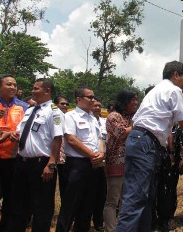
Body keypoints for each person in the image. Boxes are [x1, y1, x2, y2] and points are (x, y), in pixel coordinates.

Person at [115, 61, 183, 232]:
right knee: (136, 198)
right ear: (176, 75)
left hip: (141, 140)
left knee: (146, 197)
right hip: (146, 143)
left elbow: (134, 121)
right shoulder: (174, 90)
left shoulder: (154, 92)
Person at [7, 78, 64, 232]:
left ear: (47, 91)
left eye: (35, 88)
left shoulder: (54, 112)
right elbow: (19, 131)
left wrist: (51, 164)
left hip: (41, 165)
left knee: (41, 208)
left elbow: (57, 139)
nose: (32, 91)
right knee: (18, 206)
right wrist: (14, 134)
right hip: (22, 163)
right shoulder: (30, 110)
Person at [55, 86, 105, 232]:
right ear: (79, 99)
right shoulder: (71, 116)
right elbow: (71, 139)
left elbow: (100, 138)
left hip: (94, 164)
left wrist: (101, 153)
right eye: (90, 97)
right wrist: (92, 155)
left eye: (94, 97)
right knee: (70, 205)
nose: (93, 100)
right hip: (78, 164)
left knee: (88, 205)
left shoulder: (93, 118)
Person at [103, 88, 138, 232]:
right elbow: (122, 134)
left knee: (127, 200)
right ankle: (111, 229)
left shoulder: (132, 118)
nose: (136, 102)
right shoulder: (113, 117)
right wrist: (137, 124)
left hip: (131, 164)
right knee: (113, 200)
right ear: (124, 101)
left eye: (137, 99)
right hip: (116, 162)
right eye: (133, 99)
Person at [0, 75, 28, 232]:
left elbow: (28, 131)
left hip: (13, 159)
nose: (13, 87)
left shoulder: (24, 107)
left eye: (15, 85)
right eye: (8, 84)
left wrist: (15, 135)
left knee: (11, 198)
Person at [152, 126, 183, 232]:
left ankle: (165, 219)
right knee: (155, 191)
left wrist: (182, 160)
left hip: (171, 165)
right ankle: (153, 220)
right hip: (157, 161)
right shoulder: (155, 125)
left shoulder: (177, 128)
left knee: (168, 190)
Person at [91, 97, 107, 232]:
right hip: (89, 161)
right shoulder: (87, 120)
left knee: (101, 194)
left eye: (99, 106)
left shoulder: (104, 122)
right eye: (95, 105)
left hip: (104, 162)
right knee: (89, 194)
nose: (97, 108)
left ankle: (98, 221)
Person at [53, 96, 70, 200]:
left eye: (66, 104)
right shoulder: (54, 117)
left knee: (66, 182)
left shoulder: (69, 117)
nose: (65, 106)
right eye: (62, 103)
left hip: (66, 154)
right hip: (55, 154)